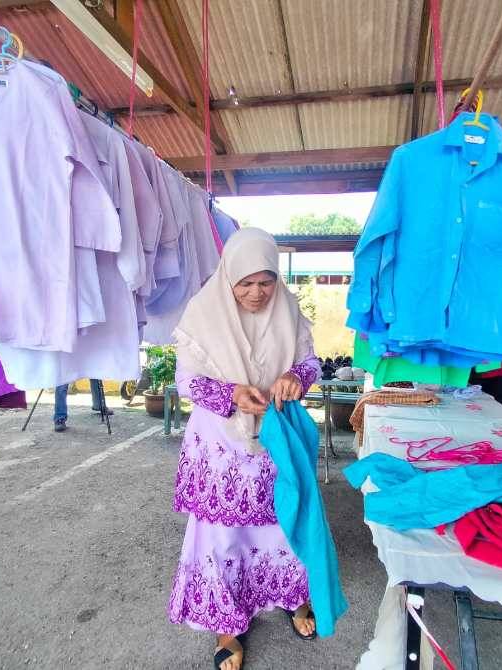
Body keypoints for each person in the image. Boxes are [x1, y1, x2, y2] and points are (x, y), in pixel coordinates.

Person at [167, 228, 322, 670]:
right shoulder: (203, 311)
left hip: (274, 441)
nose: (257, 293)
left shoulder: (287, 310)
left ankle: (292, 595)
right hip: (220, 447)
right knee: (223, 535)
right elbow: (187, 381)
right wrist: (231, 394)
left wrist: (297, 378)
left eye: (266, 281)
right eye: (246, 283)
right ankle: (227, 626)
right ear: (228, 277)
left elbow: (309, 360)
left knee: (282, 522)